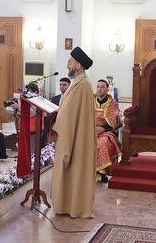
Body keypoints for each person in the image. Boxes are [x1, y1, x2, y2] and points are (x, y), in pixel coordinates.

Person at [51, 47, 97, 218]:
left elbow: (68, 115)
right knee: (73, 172)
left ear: (78, 65)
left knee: (75, 171)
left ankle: (74, 206)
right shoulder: (79, 82)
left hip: (76, 138)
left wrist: (57, 121)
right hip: (75, 135)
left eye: (70, 62)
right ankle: (67, 205)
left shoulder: (82, 84)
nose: (67, 65)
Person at [92, 79, 122, 183]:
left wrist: (103, 128)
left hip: (106, 132)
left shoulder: (112, 104)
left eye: (102, 87)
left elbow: (115, 121)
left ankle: (101, 172)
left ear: (107, 90)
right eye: (98, 87)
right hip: (89, 131)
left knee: (102, 143)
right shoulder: (90, 101)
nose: (99, 89)